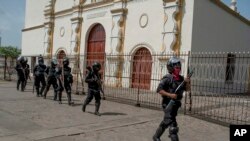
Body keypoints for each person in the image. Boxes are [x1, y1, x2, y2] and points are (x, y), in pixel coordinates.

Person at [153, 57, 190, 141]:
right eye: (177, 67)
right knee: (173, 128)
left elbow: (187, 89)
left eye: (179, 67)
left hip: (176, 105)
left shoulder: (181, 79)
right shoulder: (167, 78)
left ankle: (156, 136)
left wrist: (188, 82)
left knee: (166, 122)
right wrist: (170, 95)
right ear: (171, 68)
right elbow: (159, 90)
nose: (178, 69)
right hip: (167, 104)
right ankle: (157, 137)